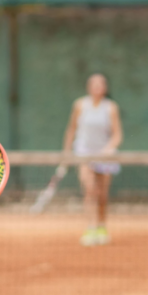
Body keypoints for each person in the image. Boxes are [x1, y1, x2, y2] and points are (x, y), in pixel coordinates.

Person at [63, 73, 123, 246]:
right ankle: (91, 227)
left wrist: (107, 150)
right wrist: (66, 153)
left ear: (105, 88)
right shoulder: (80, 105)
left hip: (105, 156)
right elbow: (71, 129)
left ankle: (102, 226)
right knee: (90, 190)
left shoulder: (111, 107)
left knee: (102, 195)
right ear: (88, 87)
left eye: (101, 84)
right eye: (94, 84)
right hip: (84, 153)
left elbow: (117, 134)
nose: (98, 87)